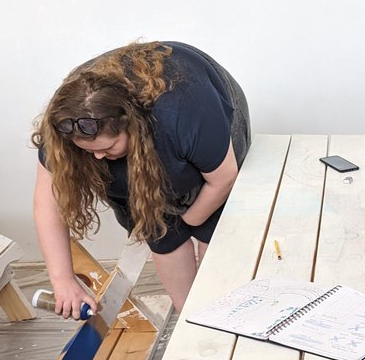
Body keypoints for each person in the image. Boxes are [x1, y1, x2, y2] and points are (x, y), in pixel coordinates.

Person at [32, 41, 250, 316]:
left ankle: (219, 313)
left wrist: (191, 219)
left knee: (212, 224)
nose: (97, 157)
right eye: (88, 151)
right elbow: (48, 204)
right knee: (159, 229)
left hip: (198, 110)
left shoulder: (185, 112)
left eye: (107, 147)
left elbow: (224, 178)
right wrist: (62, 280)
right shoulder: (64, 125)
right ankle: (189, 317)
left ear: (130, 125)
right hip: (155, 140)